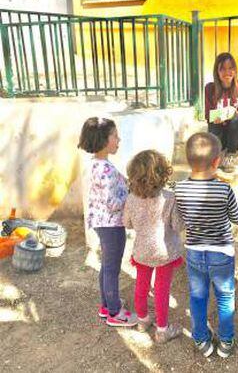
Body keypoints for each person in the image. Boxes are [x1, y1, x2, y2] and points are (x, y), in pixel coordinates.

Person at [174, 132, 238, 358]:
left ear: (188, 160)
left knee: (197, 296)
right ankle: (225, 341)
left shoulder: (179, 189)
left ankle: (201, 340)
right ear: (217, 161)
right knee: (224, 296)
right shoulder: (224, 189)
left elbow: (180, 220)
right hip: (221, 252)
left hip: (194, 251)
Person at [78, 117, 137, 327]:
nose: (119, 139)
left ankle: (106, 305)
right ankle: (114, 312)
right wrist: (131, 195)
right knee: (112, 268)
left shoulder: (96, 165)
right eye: (115, 136)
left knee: (106, 266)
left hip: (102, 224)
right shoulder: (106, 170)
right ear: (104, 140)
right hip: (111, 225)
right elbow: (113, 203)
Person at [124, 150, 184, 343]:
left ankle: (142, 320)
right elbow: (178, 225)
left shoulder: (131, 198)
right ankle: (162, 330)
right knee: (161, 290)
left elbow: (127, 223)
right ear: (162, 173)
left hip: (142, 251)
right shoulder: (170, 197)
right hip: (165, 252)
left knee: (141, 286)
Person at [205, 52, 238, 173]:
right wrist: (216, 117)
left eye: (231, 68)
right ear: (217, 71)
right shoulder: (210, 88)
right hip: (219, 130)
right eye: (223, 69)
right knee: (213, 122)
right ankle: (216, 154)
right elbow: (208, 115)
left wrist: (228, 115)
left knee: (236, 119)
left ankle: (230, 155)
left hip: (236, 133)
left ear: (235, 70)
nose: (227, 72)